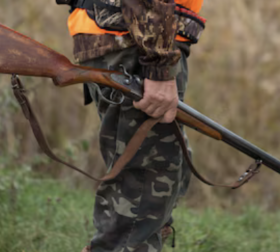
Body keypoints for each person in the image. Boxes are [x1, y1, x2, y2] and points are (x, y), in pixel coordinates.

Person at [63, 0, 205, 251]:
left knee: (151, 194)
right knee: (138, 204)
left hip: (132, 35)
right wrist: (159, 64)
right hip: (137, 40)